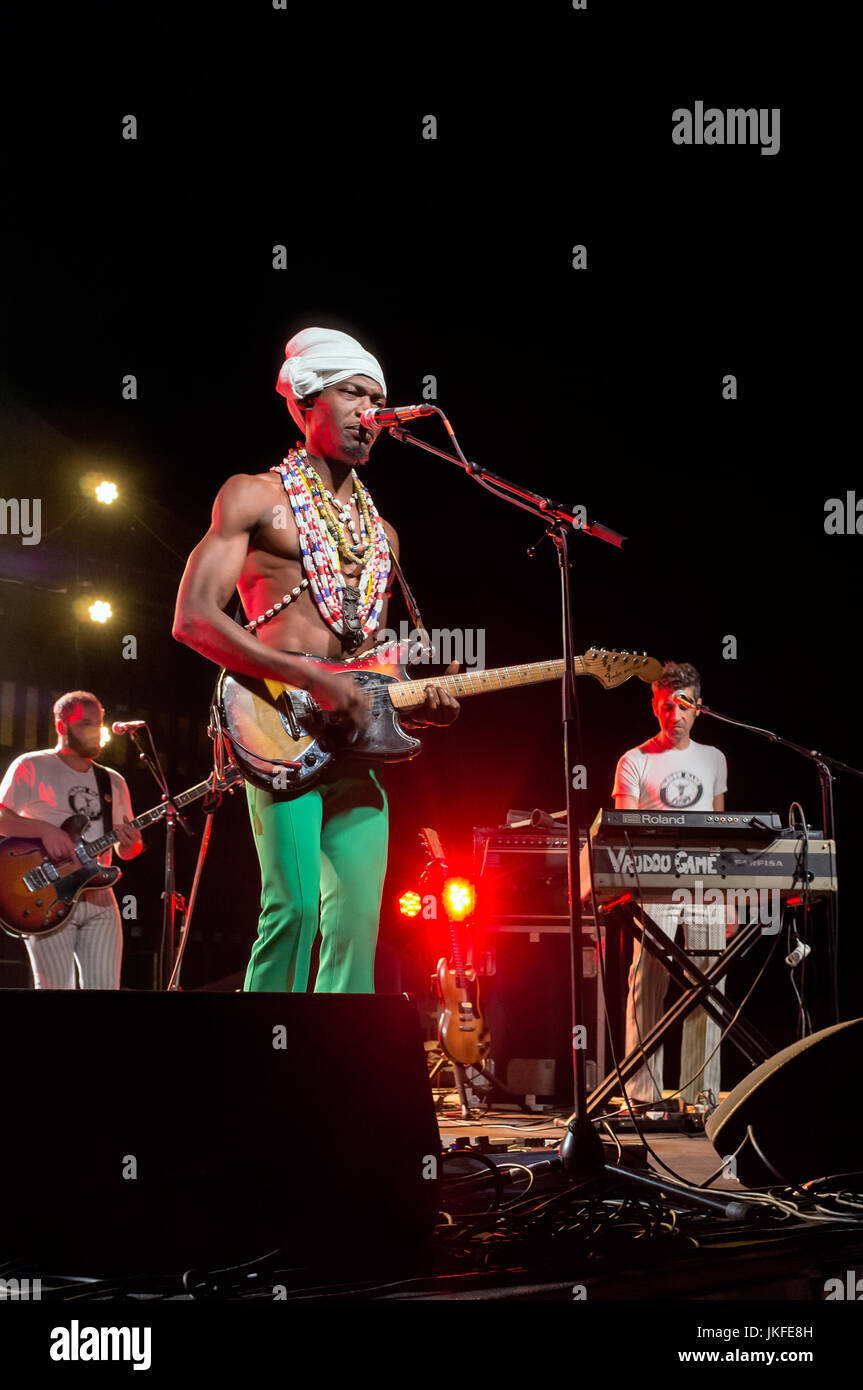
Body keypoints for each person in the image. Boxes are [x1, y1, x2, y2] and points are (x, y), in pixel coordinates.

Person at [173, 326, 460, 994]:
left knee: (357, 923)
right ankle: (256, 1077)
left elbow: (370, 655)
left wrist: (418, 696)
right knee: (296, 909)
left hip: (353, 746)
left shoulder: (381, 533)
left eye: (379, 400)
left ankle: (333, 1081)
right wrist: (304, 675)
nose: (372, 414)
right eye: (353, 394)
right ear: (305, 404)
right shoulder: (251, 496)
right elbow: (192, 618)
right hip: (277, 726)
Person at [612, 661, 732, 1108]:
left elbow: (721, 829)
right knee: (647, 984)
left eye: (683, 707)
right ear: (655, 706)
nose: (675, 716)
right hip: (654, 885)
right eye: (667, 707)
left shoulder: (714, 758)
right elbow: (621, 828)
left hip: (705, 886)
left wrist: (730, 897)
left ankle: (702, 1094)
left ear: (698, 708)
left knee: (709, 983)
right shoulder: (634, 760)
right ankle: (641, 1096)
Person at [0, 690, 143, 988]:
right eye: (86, 724)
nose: (96, 731)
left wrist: (131, 844)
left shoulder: (113, 781)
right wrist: (44, 830)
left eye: (99, 723)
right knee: (56, 992)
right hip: (47, 894)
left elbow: (126, 850)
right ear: (61, 726)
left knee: (105, 991)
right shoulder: (32, 765)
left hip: (100, 898)